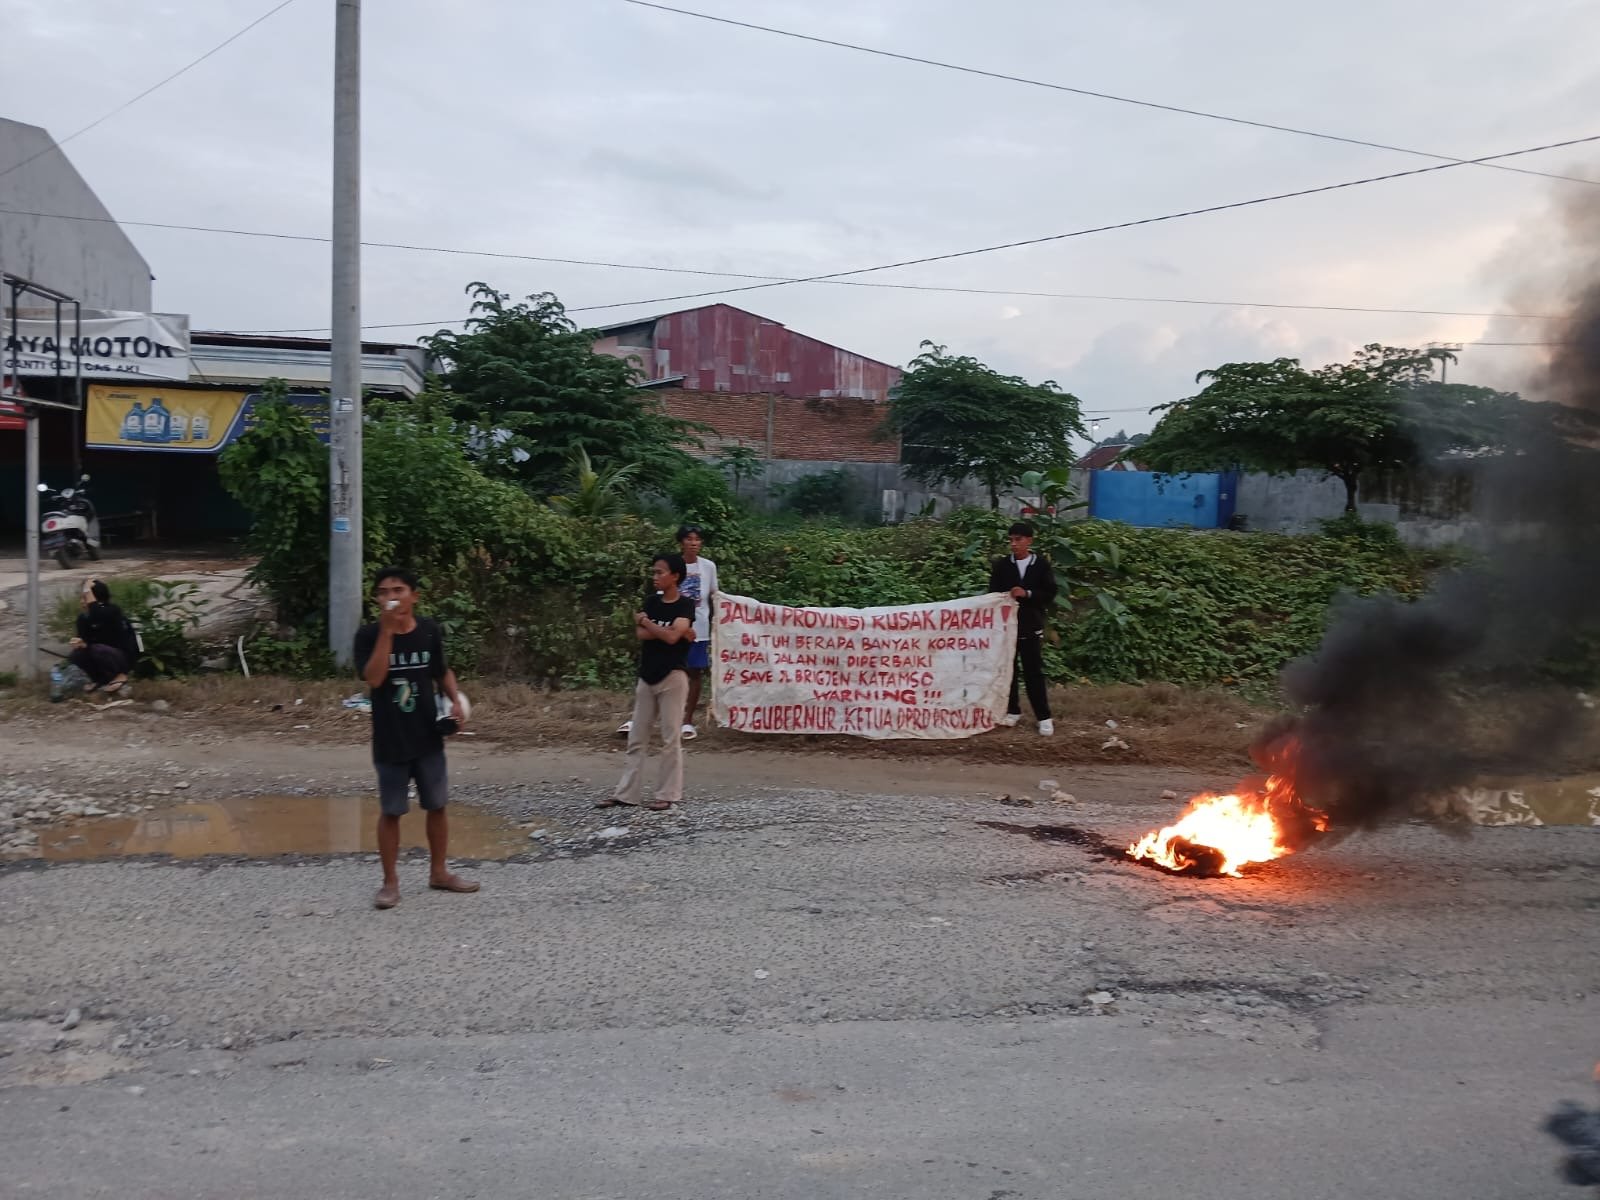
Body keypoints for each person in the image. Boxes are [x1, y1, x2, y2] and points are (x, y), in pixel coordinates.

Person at [354, 567, 478, 910]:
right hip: (391, 739)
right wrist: (387, 634)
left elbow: (440, 670)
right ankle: (390, 883)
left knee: (437, 805)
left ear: (414, 596)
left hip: (427, 735)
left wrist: (454, 699)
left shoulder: (428, 631)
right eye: (383, 592)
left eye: (399, 589)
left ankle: (439, 872)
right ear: (377, 599)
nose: (391, 597)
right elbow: (375, 679)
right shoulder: (367, 636)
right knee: (391, 811)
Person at [601, 553, 695, 812]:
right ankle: (626, 794)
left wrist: (646, 621)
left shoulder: (685, 605)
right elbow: (649, 634)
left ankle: (668, 794)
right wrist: (663, 630)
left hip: (673, 677)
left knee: (670, 738)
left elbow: (671, 638)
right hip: (647, 675)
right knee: (637, 737)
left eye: (660, 572)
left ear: (675, 576)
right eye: (654, 572)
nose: (655, 577)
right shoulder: (651, 601)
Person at [988, 521, 1057, 736]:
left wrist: (1027, 594)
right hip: (1006, 627)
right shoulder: (1002, 565)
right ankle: (1012, 710)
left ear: (1029, 541)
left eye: (1018, 540)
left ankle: (1043, 717)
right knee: (1009, 670)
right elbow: (993, 593)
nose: (1014, 544)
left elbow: (1049, 593)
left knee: (1033, 672)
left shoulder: (1041, 565)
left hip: (1030, 624)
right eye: (1011, 540)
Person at [675, 523, 718, 740]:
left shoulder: (708, 567)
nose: (693, 543)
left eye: (697, 539)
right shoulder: (672, 565)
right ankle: (644, 717)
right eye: (689, 539)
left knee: (695, 672)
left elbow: (714, 596)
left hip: (699, 628)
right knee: (663, 671)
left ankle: (687, 721)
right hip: (672, 629)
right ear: (681, 541)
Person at [68, 579, 136, 694]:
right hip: (100, 653)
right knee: (77, 655)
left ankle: (121, 675)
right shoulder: (83, 618)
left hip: (122, 657)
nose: (82, 602)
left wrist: (88, 589)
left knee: (97, 649)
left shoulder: (112, 610)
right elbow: (85, 639)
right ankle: (99, 679)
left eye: (85, 598)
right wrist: (80, 643)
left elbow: (97, 615)